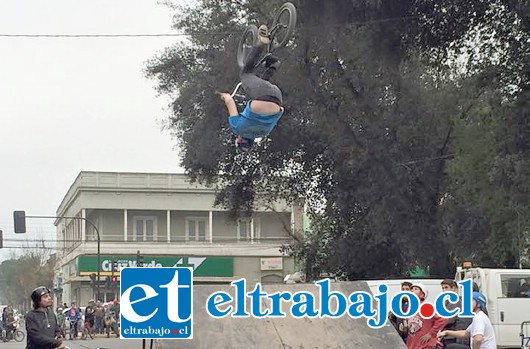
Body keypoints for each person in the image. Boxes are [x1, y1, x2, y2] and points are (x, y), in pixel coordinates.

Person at [219, 24, 284, 153]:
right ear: (241, 140)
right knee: (246, 74)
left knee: (263, 84)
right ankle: (261, 43)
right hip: (260, 96)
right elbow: (229, 101)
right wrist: (223, 95)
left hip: (277, 97)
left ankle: (274, 64)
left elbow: (280, 111)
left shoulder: (264, 133)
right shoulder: (237, 128)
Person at [406, 283, 447, 349]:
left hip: (425, 345)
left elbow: (442, 319)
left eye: (416, 289)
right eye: (411, 289)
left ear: (422, 295)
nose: (412, 291)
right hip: (412, 344)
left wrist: (431, 333)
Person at [439, 279, 472, 347]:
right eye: (443, 288)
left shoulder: (456, 301)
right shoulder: (447, 301)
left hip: (453, 336)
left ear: (453, 288)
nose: (444, 290)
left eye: (446, 287)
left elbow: (449, 319)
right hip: (447, 336)